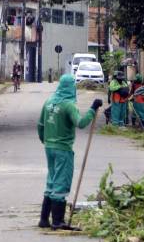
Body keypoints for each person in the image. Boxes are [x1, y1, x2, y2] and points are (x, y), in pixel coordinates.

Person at [37, 74, 103, 230]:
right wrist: (93, 109)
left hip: (49, 147)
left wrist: (45, 140)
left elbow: (40, 125)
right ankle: (58, 221)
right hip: (63, 149)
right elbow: (80, 123)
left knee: (52, 180)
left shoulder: (49, 102)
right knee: (61, 182)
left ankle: (44, 219)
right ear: (71, 88)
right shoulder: (68, 105)